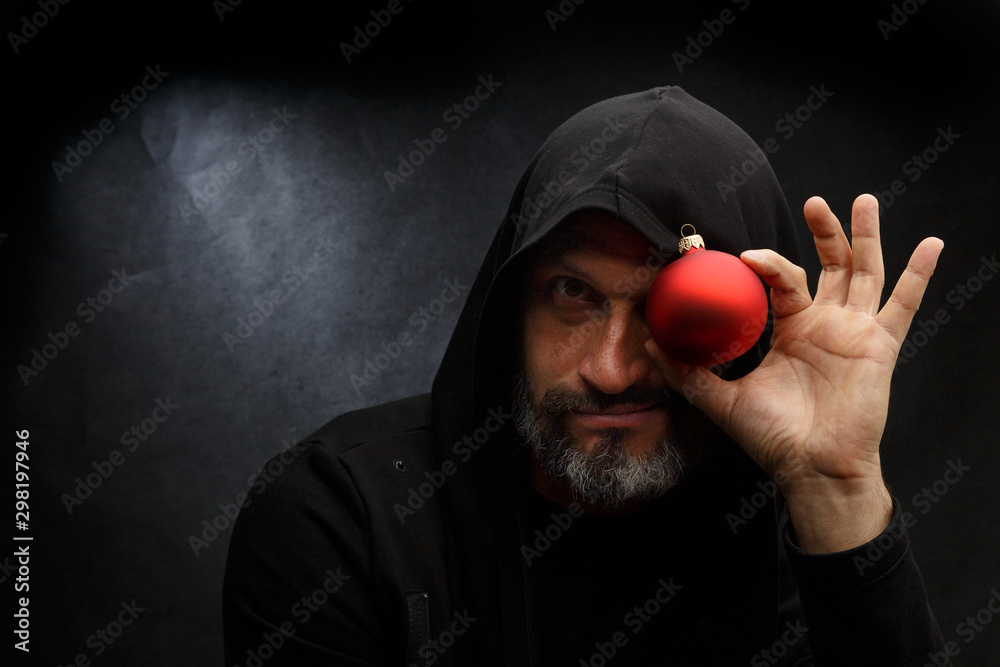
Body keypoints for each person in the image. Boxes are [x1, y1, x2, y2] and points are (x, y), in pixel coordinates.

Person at [223, 86, 949, 666]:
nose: (609, 369)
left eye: (675, 307)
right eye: (573, 292)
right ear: (510, 305)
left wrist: (834, 487)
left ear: (744, 325)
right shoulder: (339, 515)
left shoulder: (791, 545)